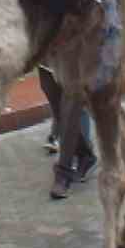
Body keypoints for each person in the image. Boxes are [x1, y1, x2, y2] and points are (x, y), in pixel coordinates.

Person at [39, 65, 97, 200]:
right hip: (46, 52)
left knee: (70, 106)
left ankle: (63, 172)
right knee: (56, 101)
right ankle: (85, 155)